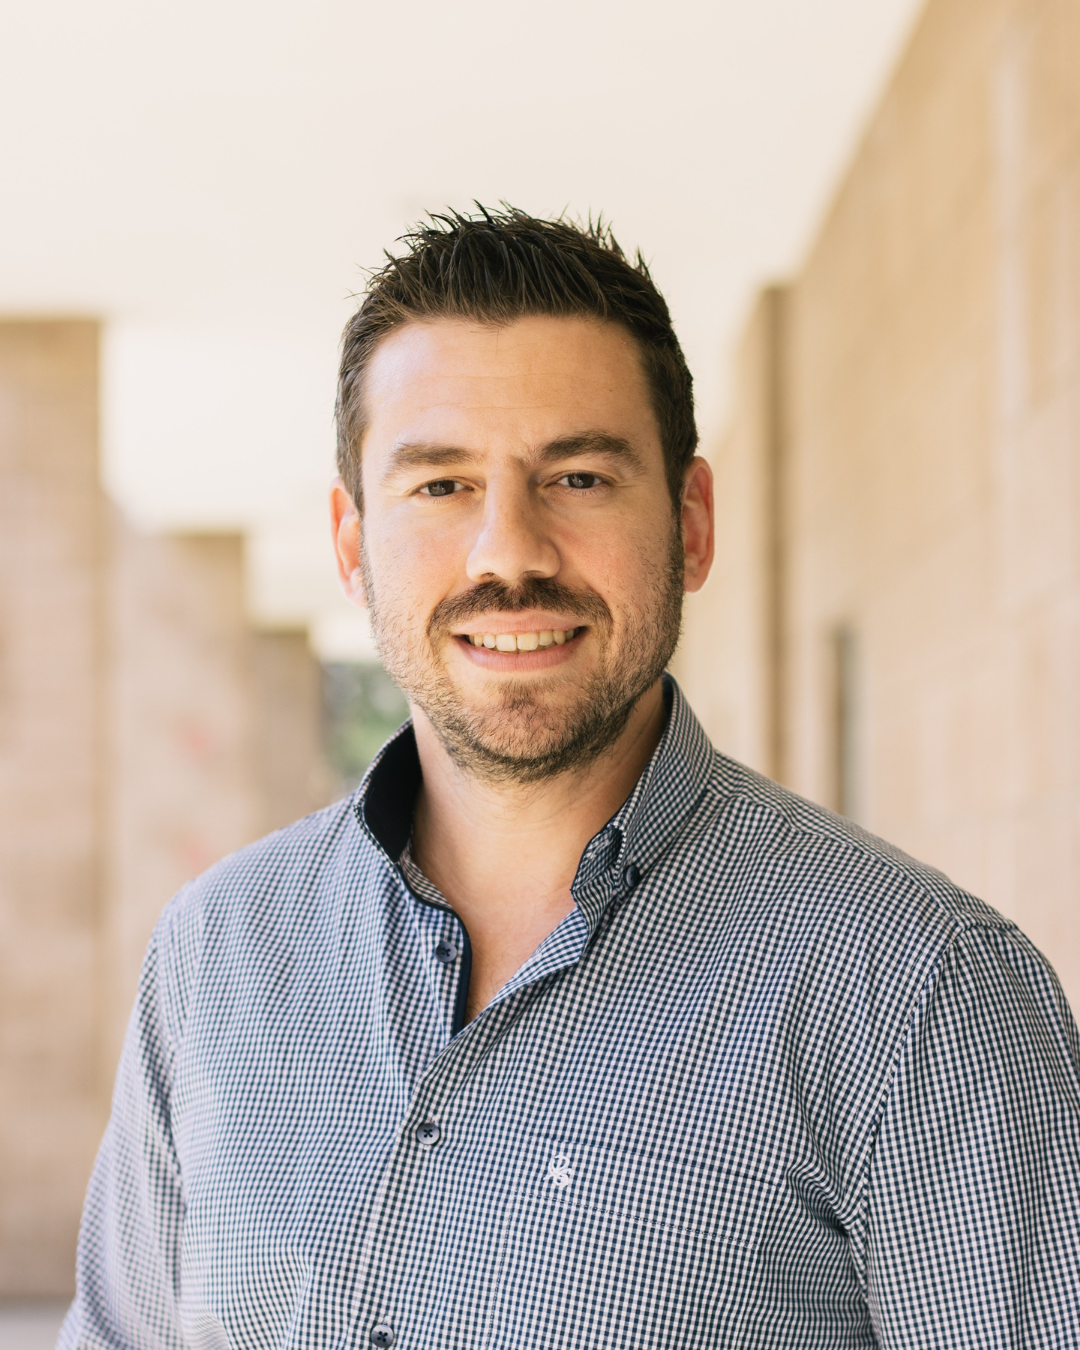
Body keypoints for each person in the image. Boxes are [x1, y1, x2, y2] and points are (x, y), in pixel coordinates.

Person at [62, 207, 1079, 1350]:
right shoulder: (214, 954)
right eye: (441, 486)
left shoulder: (927, 994)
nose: (509, 552)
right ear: (352, 546)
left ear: (692, 523)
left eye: (580, 477)